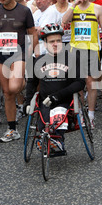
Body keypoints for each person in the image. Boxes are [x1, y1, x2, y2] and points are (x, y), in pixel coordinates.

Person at [0, 0, 38, 143]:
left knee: (14, 86)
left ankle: (23, 81)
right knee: (7, 93)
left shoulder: (24, 11)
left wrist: (31, 54)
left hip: (20, 54)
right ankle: (12, 129)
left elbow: (32, 33)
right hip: (2, 56)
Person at [24, 23, 85, 152]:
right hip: (45, 100)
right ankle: (45, 138)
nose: (55, 44)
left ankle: (57, 141)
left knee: (58, 113)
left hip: (65, 99)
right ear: (45, 44)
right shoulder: (38, 61)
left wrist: (58, 96)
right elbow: (31, 83)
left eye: (58, 40)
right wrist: (27, 102)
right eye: (51, 41)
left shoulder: (72, 58)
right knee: (43, 116)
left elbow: (80, 83)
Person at [62, 0, 102, 129]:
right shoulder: (73, 8)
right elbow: (64, 21)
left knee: (91, 83)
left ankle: (91, 115)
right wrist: (73, 5)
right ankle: (81, 115)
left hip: (92, 49)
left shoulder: (98, 8)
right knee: (78, 85)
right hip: (75, 50)